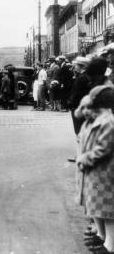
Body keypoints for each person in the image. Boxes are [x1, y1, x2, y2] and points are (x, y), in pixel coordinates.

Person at [75, 86, 114, 254]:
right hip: (97, 172)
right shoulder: (100, 119)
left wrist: (85, 158)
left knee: (107, 211)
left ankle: (109, 245)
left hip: (104, 173)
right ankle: (103, 237)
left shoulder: (108, 122)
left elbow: (103, 148)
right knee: (99, 208)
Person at [68, 56, 91, 135]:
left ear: (82, 66)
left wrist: (71, 103)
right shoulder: (86, 76)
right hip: (82, 107)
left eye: (77, 65)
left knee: (79, 130)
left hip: (78, 107)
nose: (75, 67)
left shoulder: (81, 78)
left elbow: (77, 93)